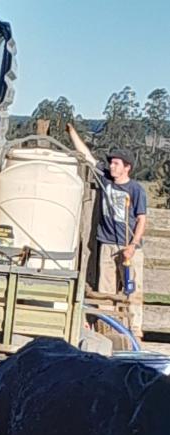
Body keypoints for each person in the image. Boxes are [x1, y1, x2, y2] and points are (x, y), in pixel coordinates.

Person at [66, 123, 147, 340]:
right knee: (106, 289)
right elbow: (87, 155)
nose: (111, 166)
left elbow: (141, 219)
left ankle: (135, 329)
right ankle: (107, 328)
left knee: (132, 288)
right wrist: (72, 132)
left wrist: (132, 245)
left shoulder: (136, 190)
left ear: (126, 167)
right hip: (107, 243)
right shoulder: (104, 179)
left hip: (129, 246)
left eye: (116, 163)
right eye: (111, 162)